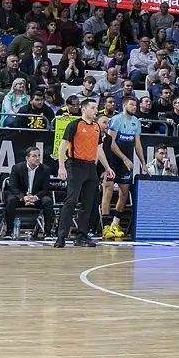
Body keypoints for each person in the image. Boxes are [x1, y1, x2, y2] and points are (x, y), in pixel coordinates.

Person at [55, 98, 112, 248]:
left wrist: (107, 167)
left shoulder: (97, 127)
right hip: (75, 165)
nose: (95, 111)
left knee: (89, 202)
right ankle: (61, 236)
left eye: (96, 108)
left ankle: (81, 236)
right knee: (71, 200)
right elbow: (62, 146)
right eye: (93, 108)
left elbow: (99, 149)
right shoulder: (74, 125)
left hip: (90, 167)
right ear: (84, 109)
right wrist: (61, 166)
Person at [102, 95, 144, 229]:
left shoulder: (136, 122)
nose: (134, 107)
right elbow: (111, 143)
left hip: (127, 162)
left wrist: (143, 163)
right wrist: (125, 159)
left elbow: (137, 145)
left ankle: (115, 223)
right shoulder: (116, 120)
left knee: (124, 192)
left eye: (135, 105)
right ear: (125, 105)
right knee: (108, 189)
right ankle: (105, 225)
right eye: (132, 105)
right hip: (113, 160)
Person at [3, 146, 54, 239]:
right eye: (34, 156)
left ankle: (47, 232)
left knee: (48, 201)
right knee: (11, 200)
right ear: (27, 158)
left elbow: (45, 189)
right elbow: (13, 186)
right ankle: (8, 232)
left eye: (39, 155)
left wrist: (35, 197)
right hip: (21, 197)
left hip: (36, 198)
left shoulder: (45, 169)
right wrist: (23, 197)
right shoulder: (17, 168)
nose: (37, 158)